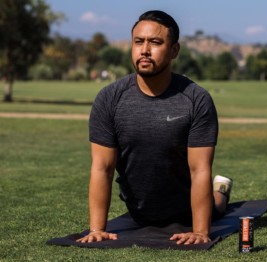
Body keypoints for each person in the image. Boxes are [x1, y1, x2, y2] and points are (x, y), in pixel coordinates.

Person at [76, 10, 232, 245]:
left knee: (216, 205)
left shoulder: (196, 99)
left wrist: (200, 231)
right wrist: (96, 229)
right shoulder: (109, 99)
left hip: (186, 209)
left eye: (156, 42)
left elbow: (200, 169)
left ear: (174, 50)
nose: (145, 50)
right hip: (139, 213)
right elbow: (102, 167)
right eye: (138, 42)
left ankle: (220, 190)